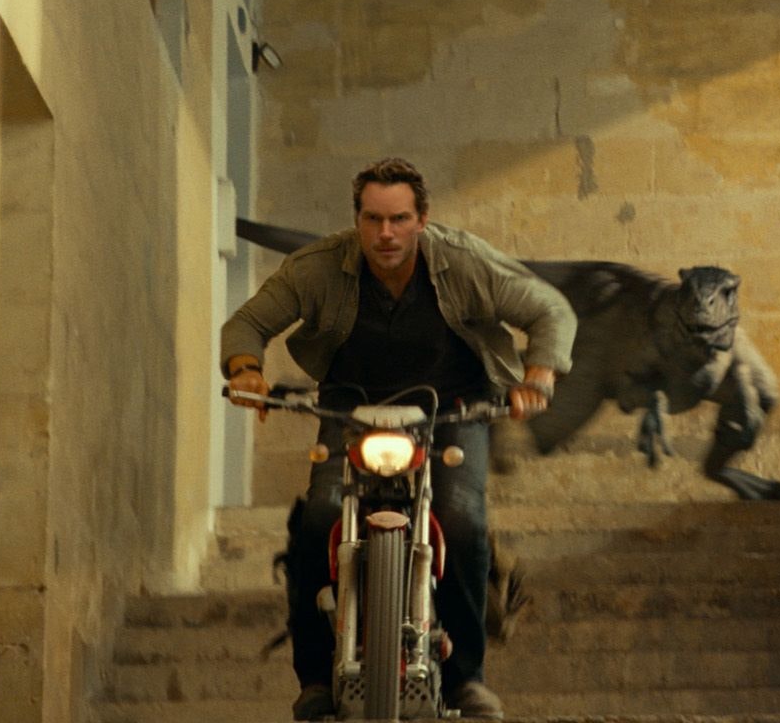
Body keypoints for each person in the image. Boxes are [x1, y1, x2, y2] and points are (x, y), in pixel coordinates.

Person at [221, 157, 576, 720]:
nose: (386, 233)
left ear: (421, 220)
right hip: (350, 411)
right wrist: (245, 369)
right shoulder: (317, 268)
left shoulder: (462, 261)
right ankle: (314, 677)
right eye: (373, 219)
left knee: (462, 520)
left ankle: (467, 679)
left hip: (452, 409)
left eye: (399, 219)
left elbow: (549, 309)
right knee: (319, 518)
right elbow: (248, 322)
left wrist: (539, 375)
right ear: (357, 220)